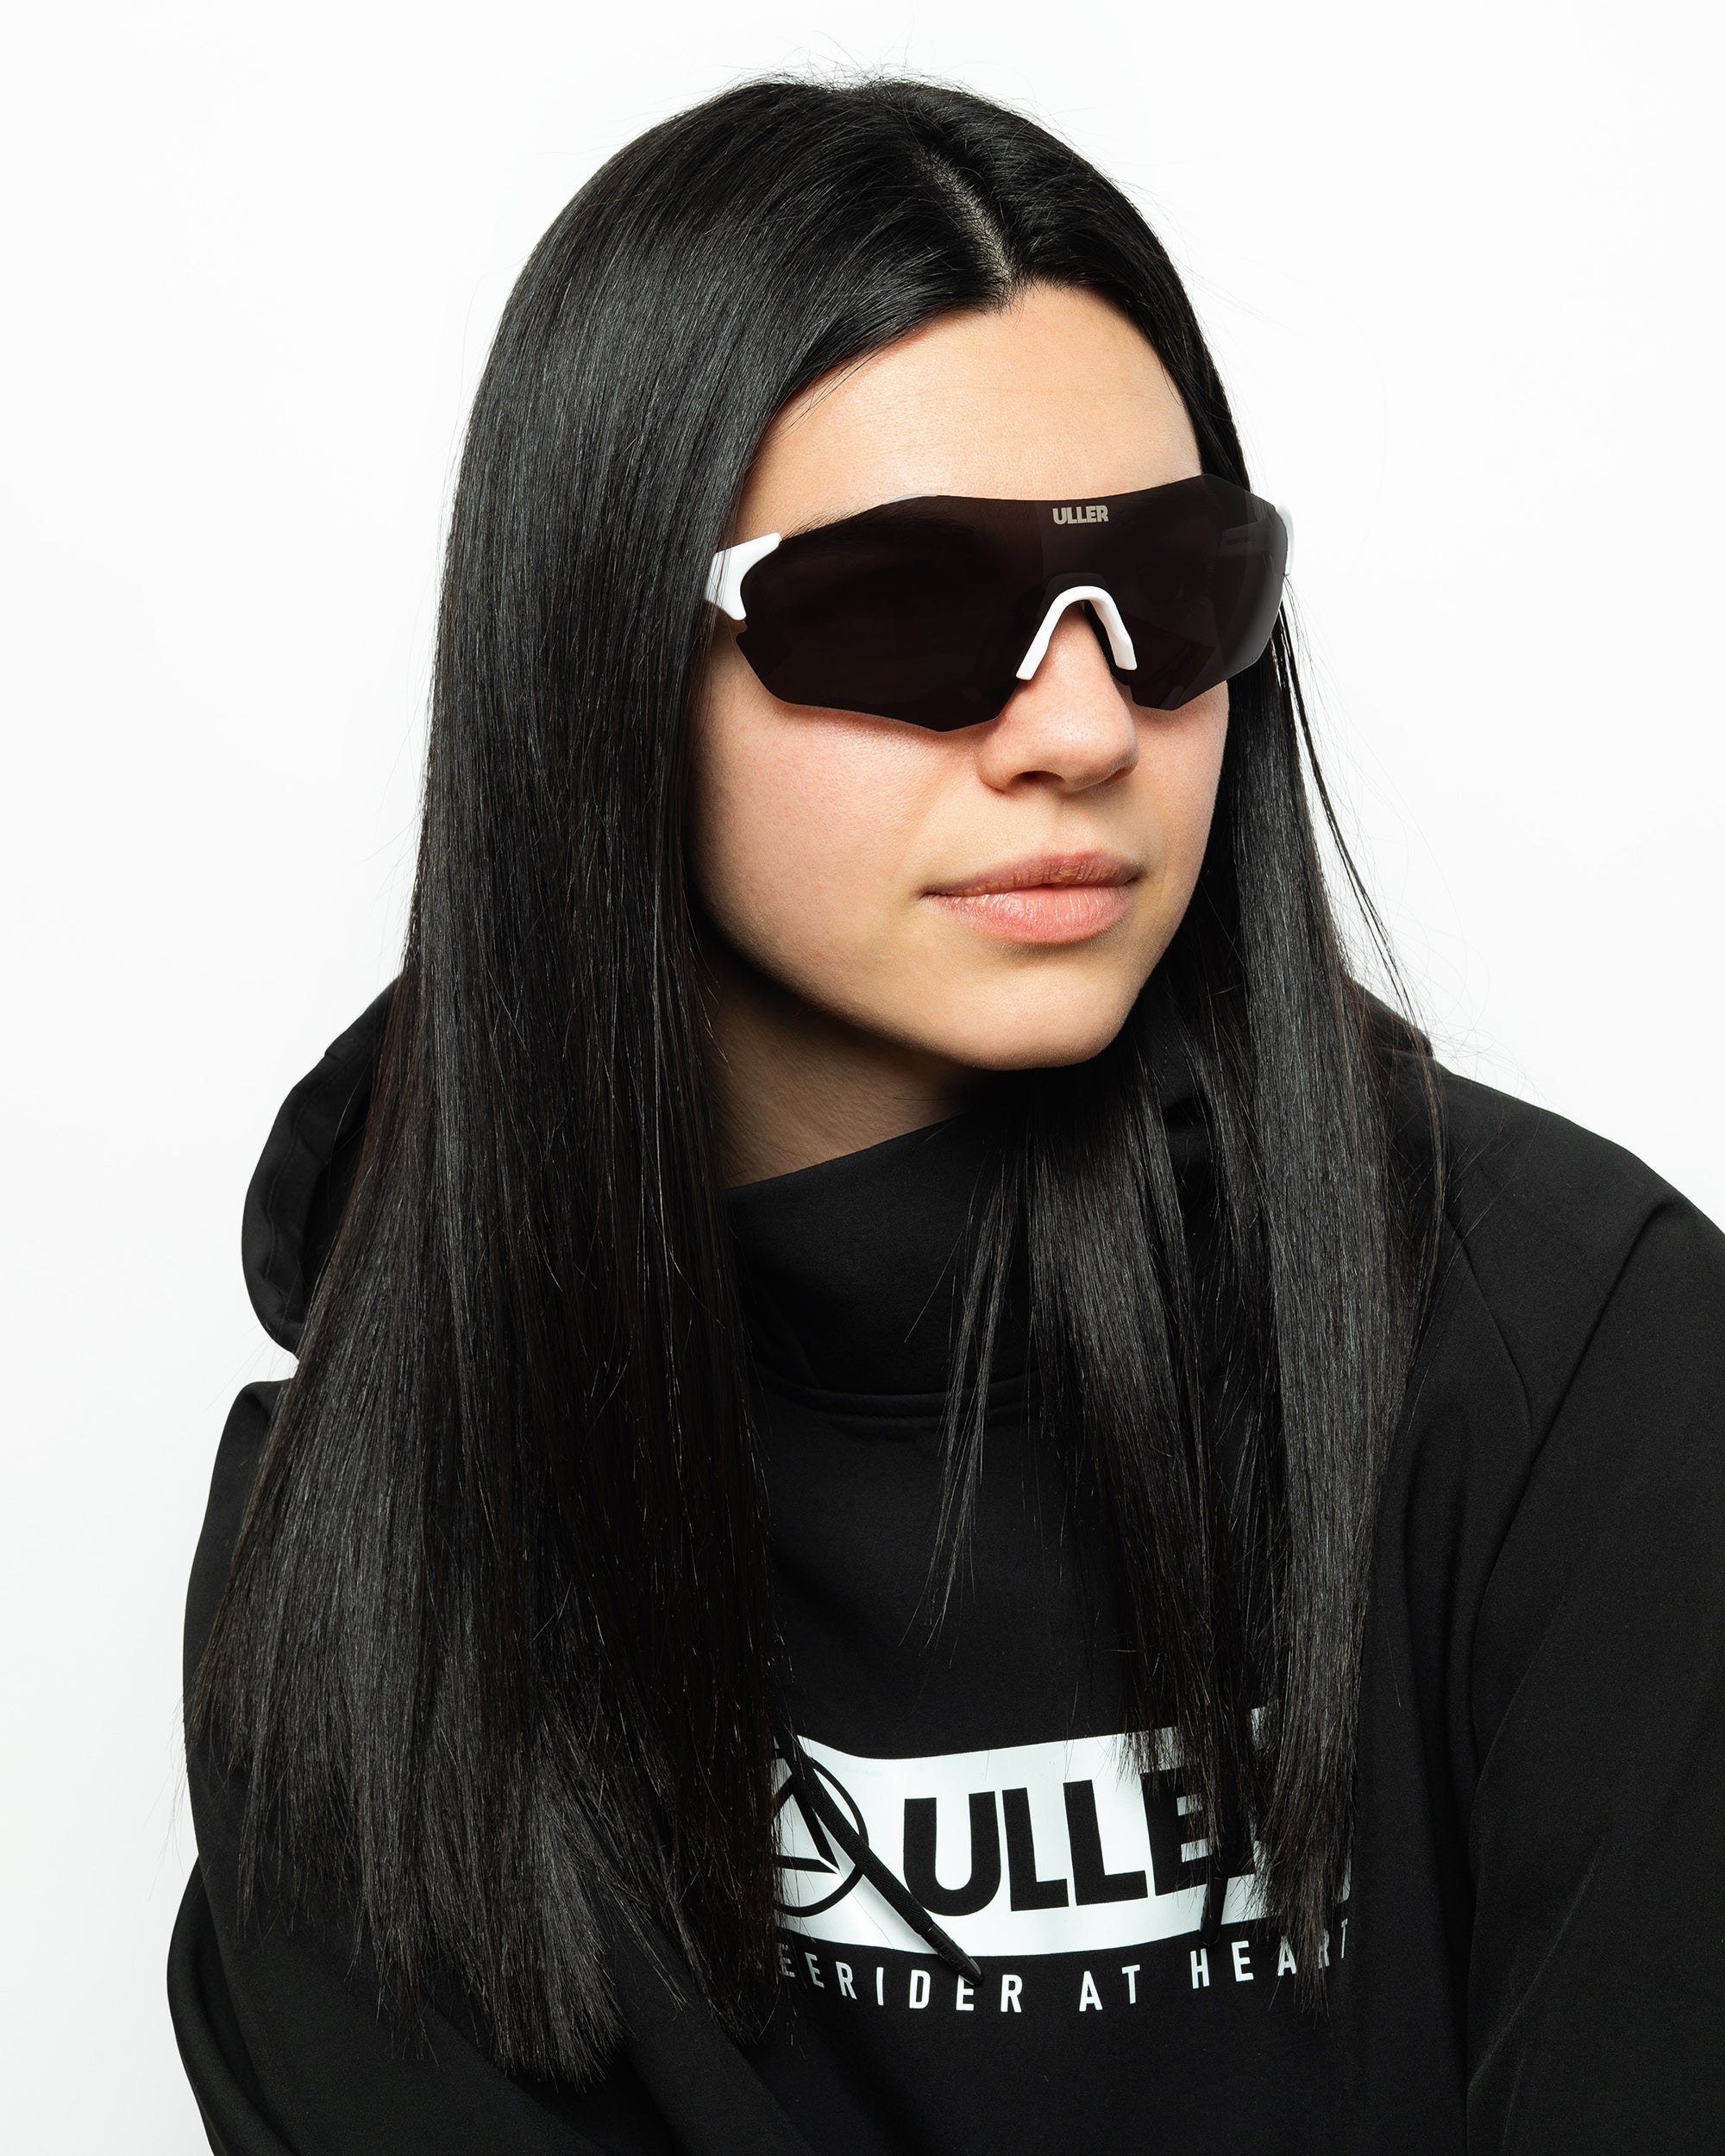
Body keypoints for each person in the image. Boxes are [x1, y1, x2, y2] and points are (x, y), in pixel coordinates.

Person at [167, 72, 1725, 2156]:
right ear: (603, 657)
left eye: (1168, 596)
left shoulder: (1580, 1371)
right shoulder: (375, 1533)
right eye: (908, 608)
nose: (1081, 728)